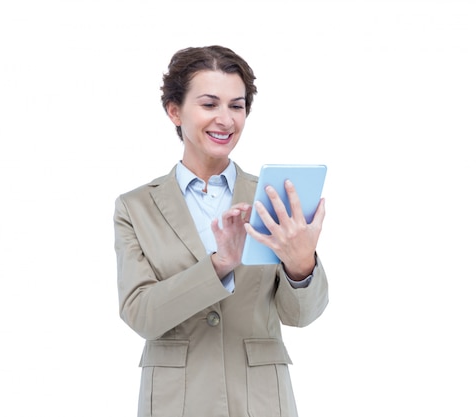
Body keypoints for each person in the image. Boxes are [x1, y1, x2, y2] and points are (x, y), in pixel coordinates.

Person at [113, 45, 329, 417]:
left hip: (261, 399)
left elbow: (300, 316)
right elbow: (141, 315)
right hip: (175, 401)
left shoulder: (272, 197)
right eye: (209, 104)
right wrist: (219, 265)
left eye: (237, 105)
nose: (226, 120)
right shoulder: (136, 207)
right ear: (174, 111)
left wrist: (301, 267)